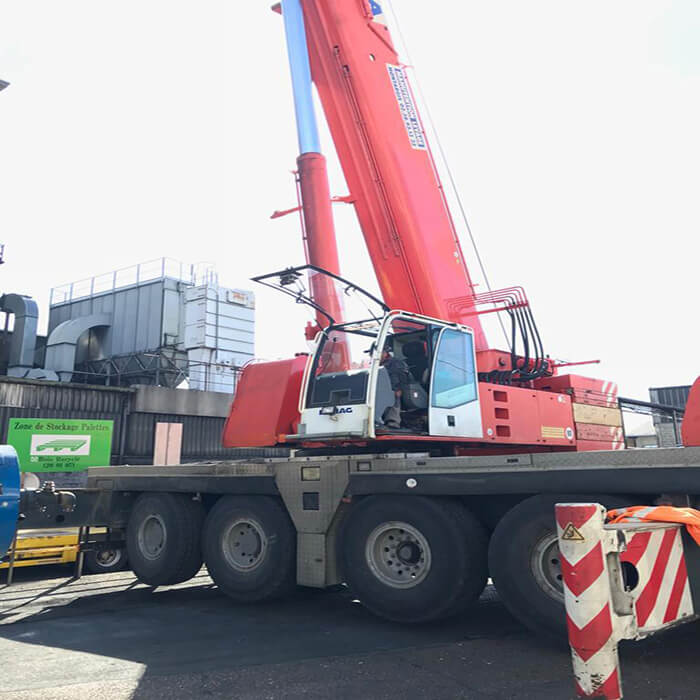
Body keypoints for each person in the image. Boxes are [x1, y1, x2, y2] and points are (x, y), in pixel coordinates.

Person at [379, 347, 411, 428]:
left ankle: (393, 421)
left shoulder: (395, 363)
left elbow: (401, 377)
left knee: (392, 396)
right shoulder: (377, 364)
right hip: (382, 387)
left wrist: (398, 388)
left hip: (395, 388)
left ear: (385, 353)